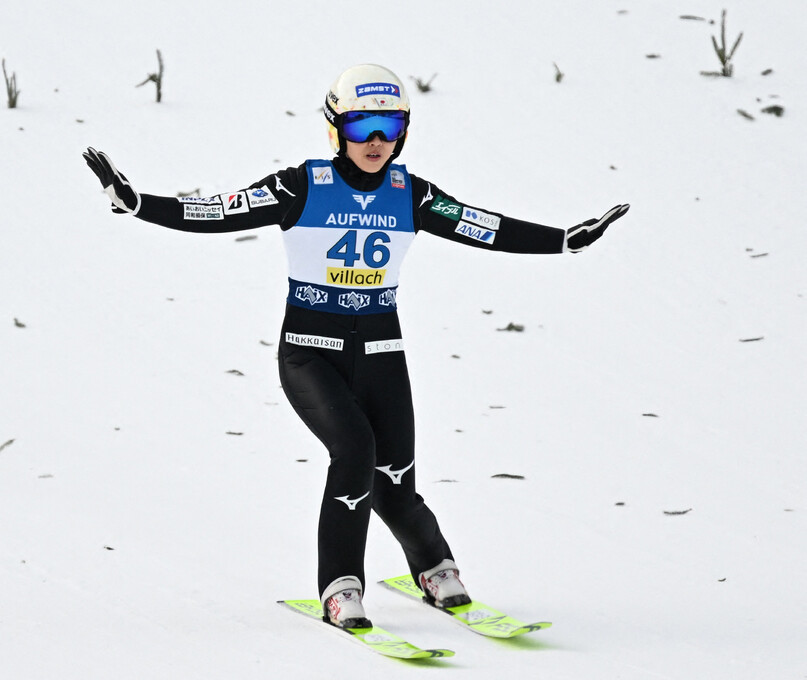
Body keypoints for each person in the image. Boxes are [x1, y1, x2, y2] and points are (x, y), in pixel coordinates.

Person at [83, 63, 629, 629]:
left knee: (395, 476)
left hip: (380, 353)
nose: (375, 141)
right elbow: (221, 212)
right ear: (335, 128)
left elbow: (482, 225)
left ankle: (434, 566)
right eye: (362, 124)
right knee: (355, 452)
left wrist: (563, 241)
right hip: (310, 353)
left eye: (389, 126)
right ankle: (340, 586)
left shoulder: (410, 194)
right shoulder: (301, 186)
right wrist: (139, 203)